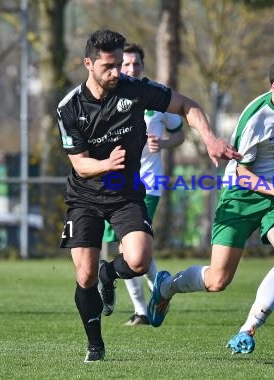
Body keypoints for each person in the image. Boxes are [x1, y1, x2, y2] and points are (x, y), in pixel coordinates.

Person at [57, 29, 241, 363]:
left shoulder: (136, 90)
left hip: (125, 192)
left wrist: (210, 138)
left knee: (139, 261)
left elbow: (187, 105)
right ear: (88, 64)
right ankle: (95, 344)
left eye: (119, 65)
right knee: (82, 275)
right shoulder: (69, 108)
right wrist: (106, 163)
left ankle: (108, 274)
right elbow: (80, 165)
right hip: (84, 196)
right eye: (108, 66)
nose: (117, 73)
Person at [148, 53, 274, 354]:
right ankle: (166, 287)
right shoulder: (256, 119)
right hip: (242, 193)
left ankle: (248, 329)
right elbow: (241, 174)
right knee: (217, 280)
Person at [101, 42, 185, 326]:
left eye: (136, 64)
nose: (131, 68)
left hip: (149, 184)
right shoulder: (110, 97)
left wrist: (163, 143)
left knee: (131, 248)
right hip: (116, 184)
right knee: (125, 250)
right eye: (126, 64)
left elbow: (179, 135)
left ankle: (143, 309)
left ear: (143, 66)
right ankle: (153, 299)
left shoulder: (156, 99)